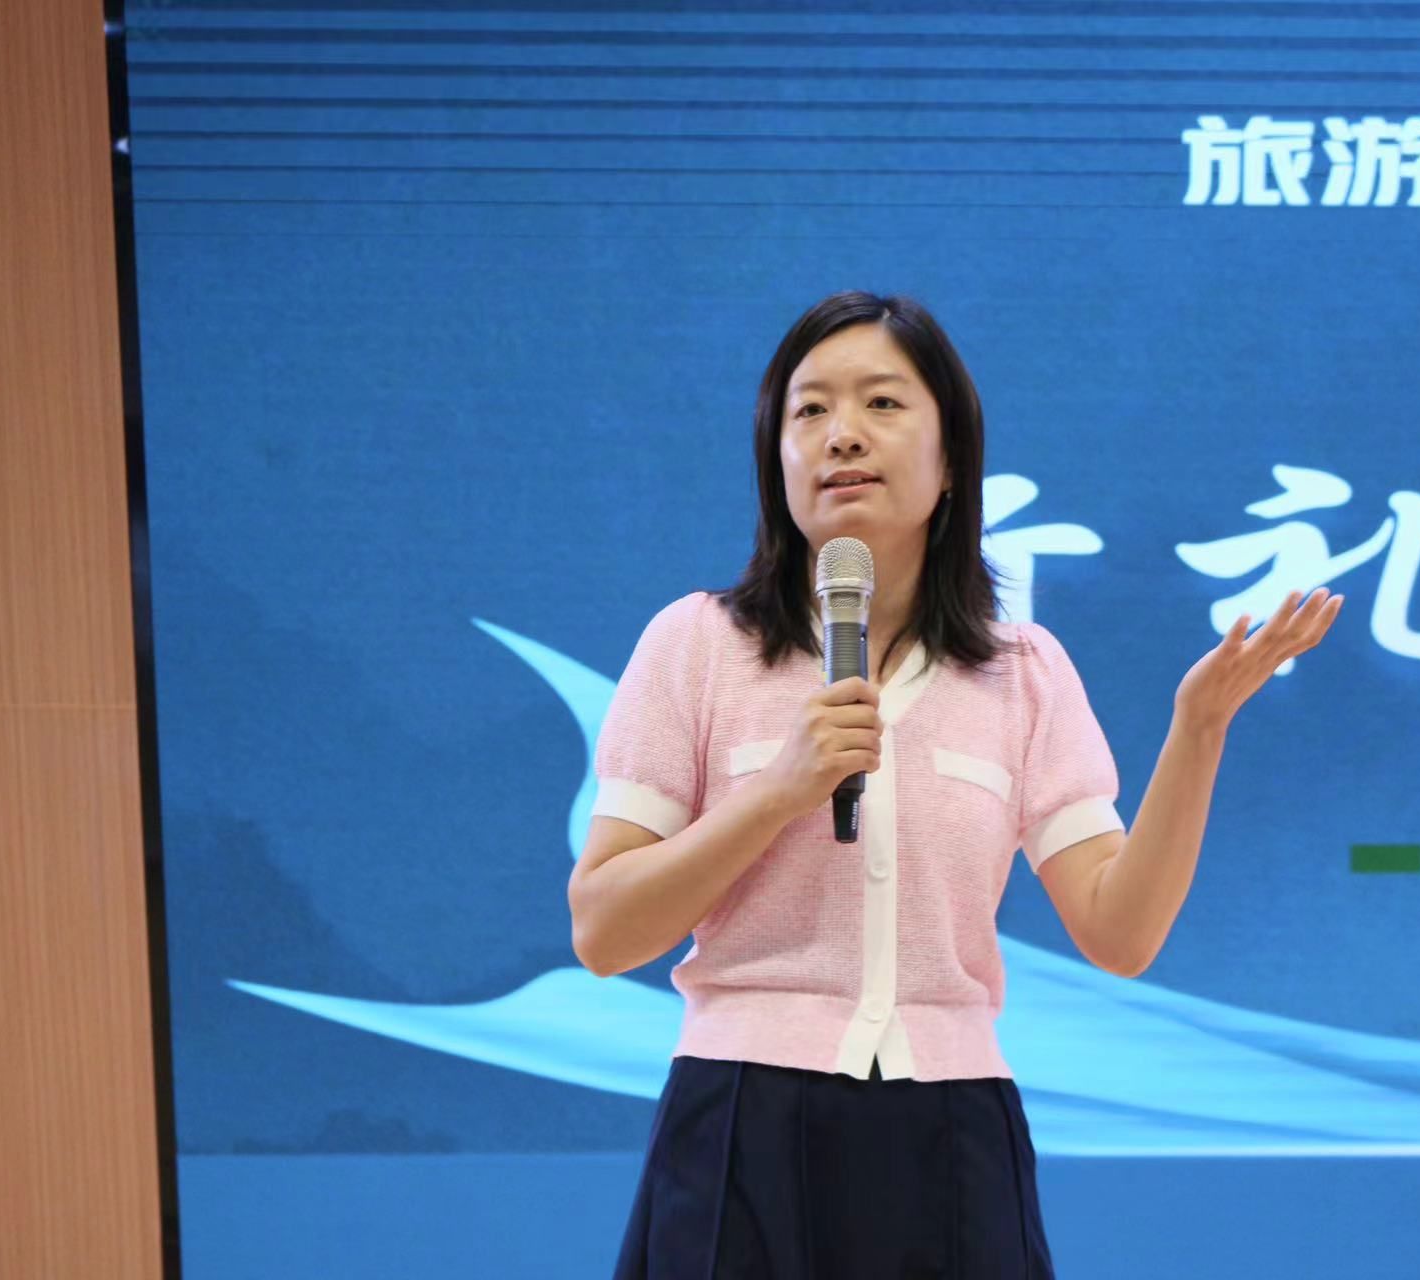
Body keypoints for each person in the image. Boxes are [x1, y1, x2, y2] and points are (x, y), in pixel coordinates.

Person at [569, 291, 1342, 1278]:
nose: (842, 433)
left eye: (882, 403)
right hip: (740, 1119)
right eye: (810, 410)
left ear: (951, 461)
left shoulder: (1023, 672)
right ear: (777, 460)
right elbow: (604, 930)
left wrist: (1198, 730)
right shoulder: (696, 645)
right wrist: (776, 793)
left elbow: (1121, 932)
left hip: (951, 1126)